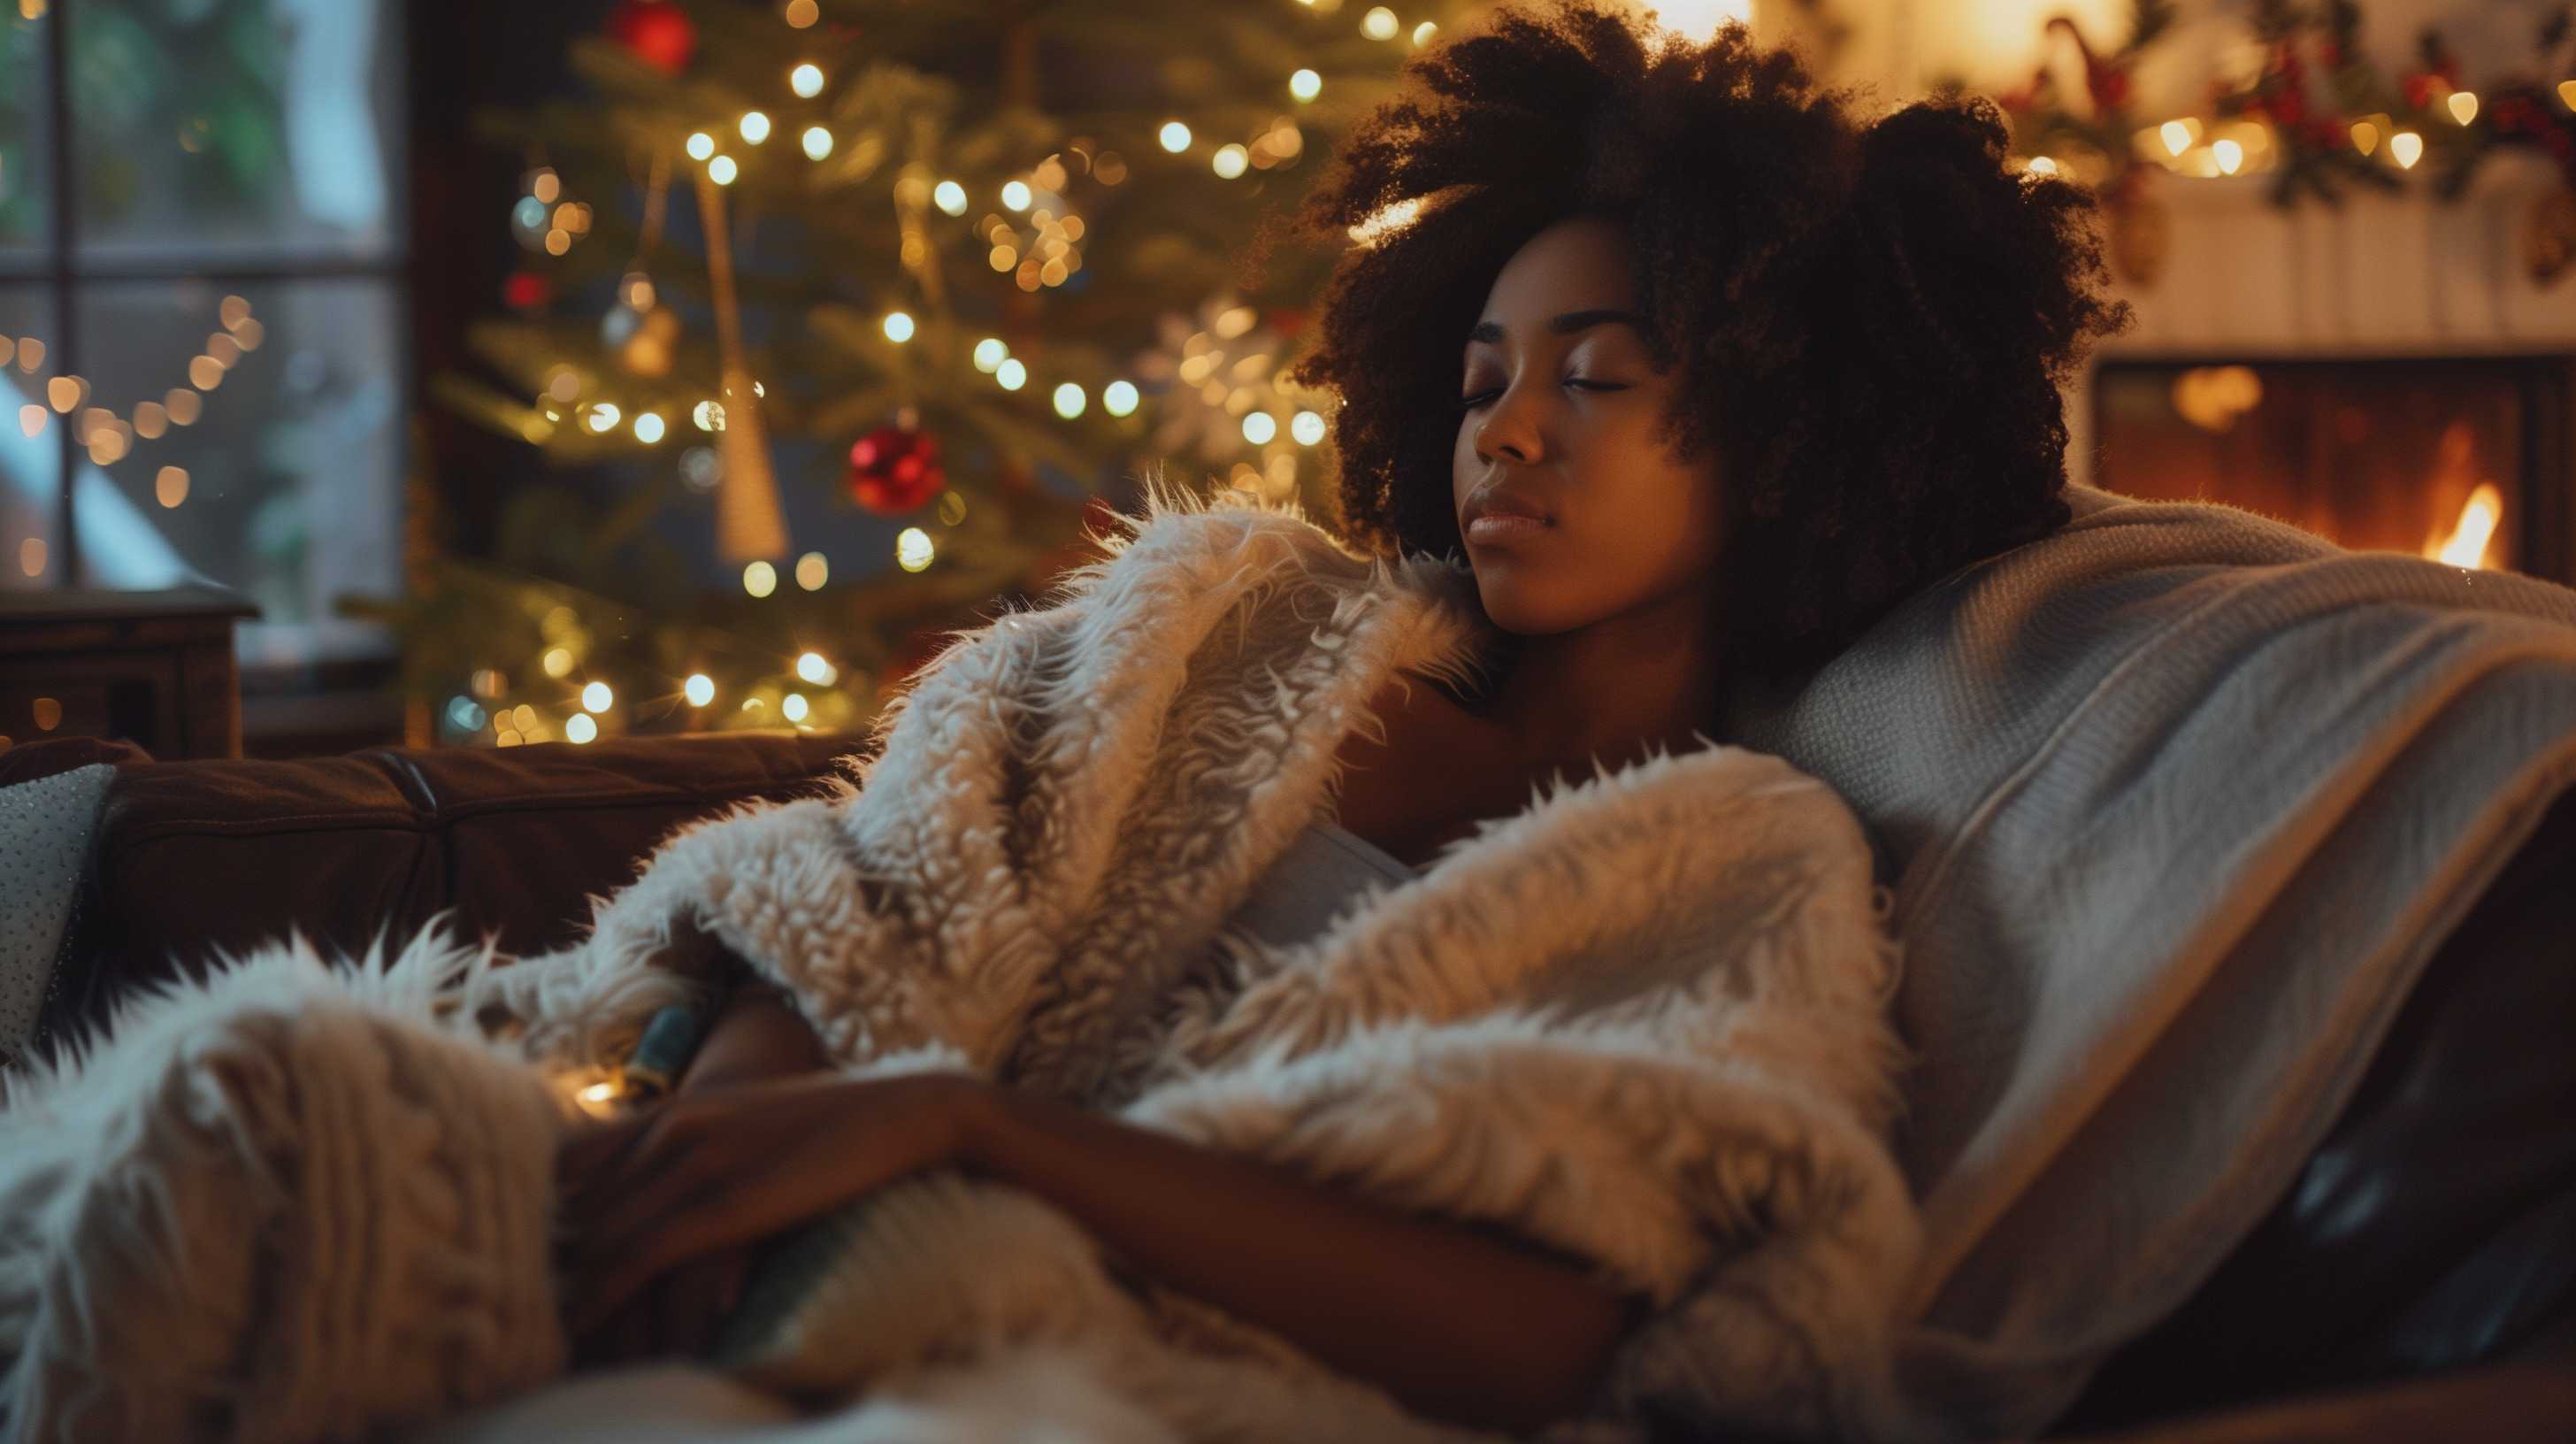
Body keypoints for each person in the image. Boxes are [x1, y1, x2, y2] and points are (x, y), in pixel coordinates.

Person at [547, 0, 2129, 1434]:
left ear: (1789, 432)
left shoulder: (1749, 865)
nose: (1505, 431)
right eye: (1483, 376)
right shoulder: (1224, 626)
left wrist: (969, 1134)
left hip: (1096, 1376)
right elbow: (877, 877)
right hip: (714, 1211)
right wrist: (744, 1131)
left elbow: (1544, 1340)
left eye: (1594, 377)